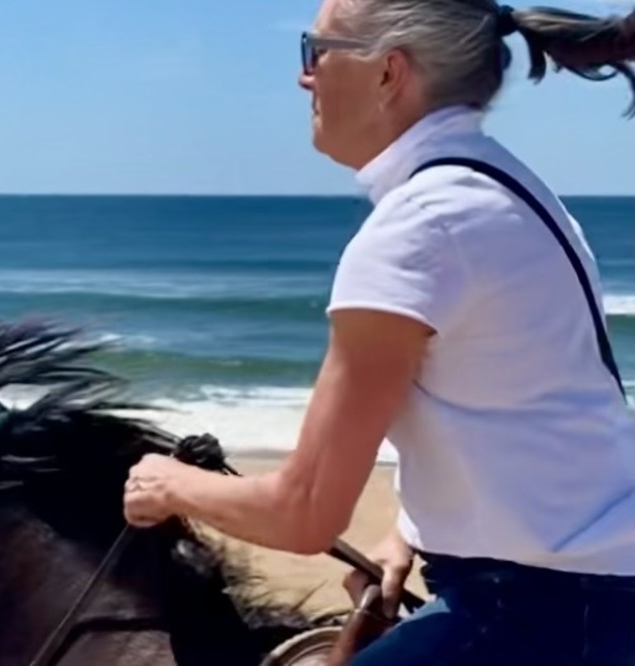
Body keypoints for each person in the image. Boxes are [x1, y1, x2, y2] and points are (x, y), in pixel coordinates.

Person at [122, 0, 635, 662]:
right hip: (593, 594)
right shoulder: (505, 187)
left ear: (389, 72)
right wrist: (412, 530)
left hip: (537, 613)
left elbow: (303, 512)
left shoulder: (420, 227)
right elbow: (522, 406)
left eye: (316, 51)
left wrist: (167, 484)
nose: (304, 77)